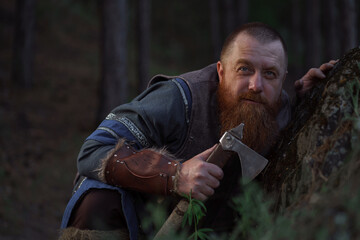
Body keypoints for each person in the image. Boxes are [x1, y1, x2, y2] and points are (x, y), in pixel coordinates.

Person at [59, 22, 336, 240]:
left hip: (210, 230)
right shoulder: (178, 99)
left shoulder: (278, 110)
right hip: (136, 225)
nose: (256, 85)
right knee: (96, 200)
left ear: (283, 79)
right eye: (244, 69)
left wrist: (308, 105)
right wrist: (174, 175)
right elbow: (93, 150)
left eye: (270, 74)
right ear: (221, 71)